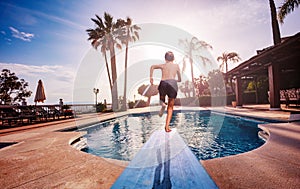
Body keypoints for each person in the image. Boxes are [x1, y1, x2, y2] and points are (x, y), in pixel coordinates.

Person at [150, 51, 181, 132]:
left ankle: (163, 105)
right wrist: (176, 80)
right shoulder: (177, 66)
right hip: (173, 84)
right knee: (170, 107)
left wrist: (151, 77)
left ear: (165, 58)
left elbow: (152, 66)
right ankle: (167, 127)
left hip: (164, 83)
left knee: (161, 101)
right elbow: (180, 79)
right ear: (173, 58)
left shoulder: (163, 65)